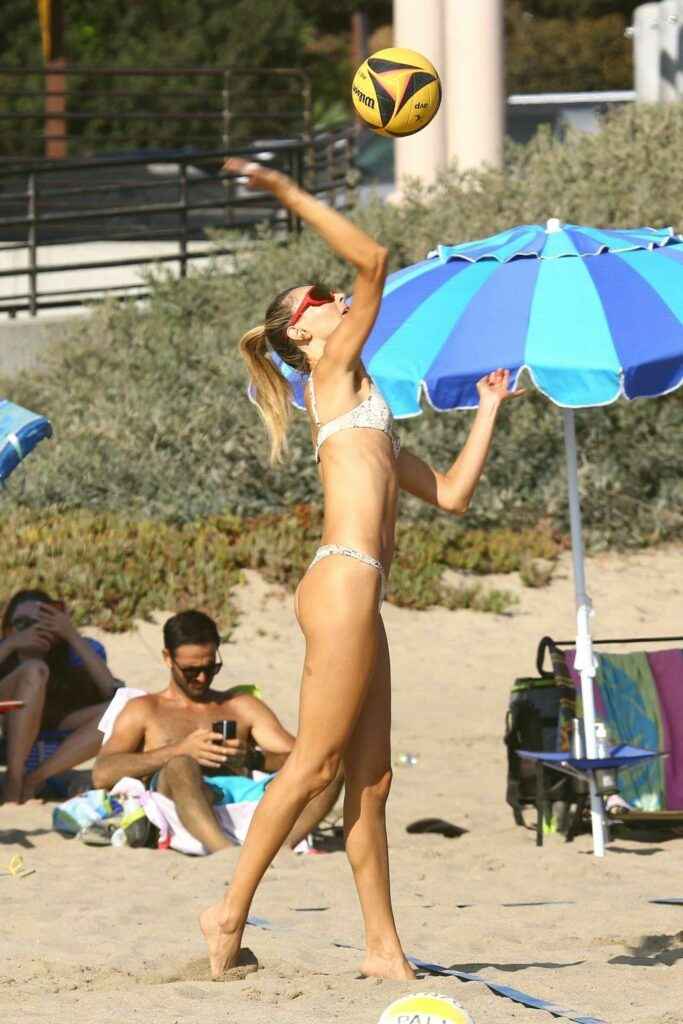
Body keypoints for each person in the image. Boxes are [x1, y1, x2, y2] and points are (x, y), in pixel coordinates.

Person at [199, 158, 524, 981]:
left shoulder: (367, 405)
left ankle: (383, 950)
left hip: (361, 592)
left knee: (370, 781)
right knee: (313, 765)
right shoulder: (328, 372)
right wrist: (285, 193)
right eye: (319, 296)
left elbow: (450, 495)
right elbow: (373, 261)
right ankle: (227, 912)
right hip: (340, 579)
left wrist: (486, 410)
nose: (335, 296)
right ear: (301, 330)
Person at [93, 609, 342, 853]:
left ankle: (281, 848)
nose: (202, 678)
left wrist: (254, 758)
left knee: (332, 762)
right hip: (182, 799)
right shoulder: (145, 709)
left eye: (211, 667)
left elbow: (306, 760)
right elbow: (102, 773)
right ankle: (225, 853)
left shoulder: (241, 706)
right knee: (181, 765)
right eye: (191, 671)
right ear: (167, 658)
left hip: (244, 795)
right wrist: (179, 750)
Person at [0, 588, 119, 803]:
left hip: (56, 729)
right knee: (34, 670)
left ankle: (35, 779)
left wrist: (71, 635)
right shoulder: (4, 651)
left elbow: (115, 693)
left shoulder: (72, 656)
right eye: (22, 624)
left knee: (125, 707)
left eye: (42, 623)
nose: (33, 630)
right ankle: (14, 781)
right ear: (8, 630)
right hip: (8, 715)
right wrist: (11, 644)